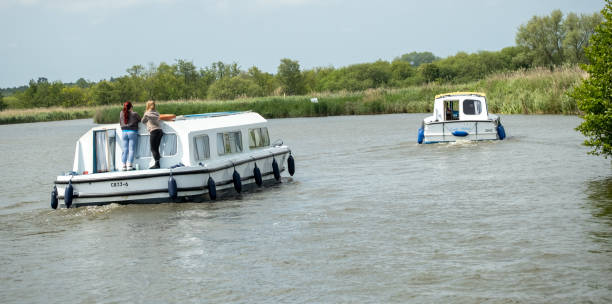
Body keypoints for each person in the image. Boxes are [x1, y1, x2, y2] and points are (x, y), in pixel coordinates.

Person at [141, 100, 163, 169]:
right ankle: (157, 163)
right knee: (156, 148)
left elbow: (142, 121)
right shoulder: (157, 113)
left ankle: (157, 164)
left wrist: (147, 121)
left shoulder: (147, 113)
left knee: (153, 149)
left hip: (153, 131)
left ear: (147, 105)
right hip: (160, 131)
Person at [120, 101, 141, 170]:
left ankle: (123, 165)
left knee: (125, 149)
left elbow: (120, 122)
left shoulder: (121, 113)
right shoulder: (134, 114)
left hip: (124, 132)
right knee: (131, 149)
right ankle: (130, 165)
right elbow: (140, 120)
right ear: (131, 107)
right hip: (132, 132)